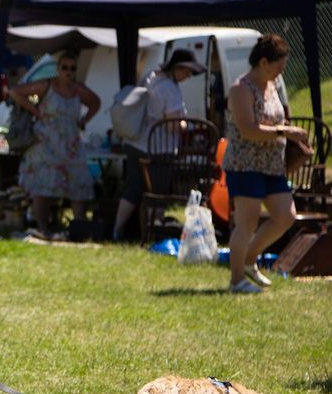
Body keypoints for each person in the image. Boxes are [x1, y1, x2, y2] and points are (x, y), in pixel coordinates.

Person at [222, 34, 307, 293]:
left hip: (272, 165)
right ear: (262, 62)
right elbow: (248, 130)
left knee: (285, 216)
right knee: (247, 223)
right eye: (278, 65)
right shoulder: (240, 89)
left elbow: (277, 120)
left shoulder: (273, 86)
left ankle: (250, 260)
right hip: (245, 164)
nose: (282, 71)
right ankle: (237, 280)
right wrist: (285, 132)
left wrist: (292, 136)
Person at [112, 48, 208, 240]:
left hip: (136, 143)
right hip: (158, 150)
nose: (188, 76)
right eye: (187, 72)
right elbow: (173, 125)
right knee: (158, 194)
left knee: (132, 189)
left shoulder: (153, 78)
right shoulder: (169, 88)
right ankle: (152, 234)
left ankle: (117, 230)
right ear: (178, 68)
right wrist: (188, 125)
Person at [9, 49, 101, 237]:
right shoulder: (46, 86)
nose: (68, 71)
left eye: (72, 68)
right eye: (64, 67)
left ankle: (78, 228)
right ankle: (43, 228)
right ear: (58, 69)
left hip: (70, 144)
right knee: (42, 186)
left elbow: (96, 102)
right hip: (46, 143)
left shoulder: (78, 90)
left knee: (78, 184)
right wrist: (35, 111)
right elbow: (15, 92)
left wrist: (84, 120)